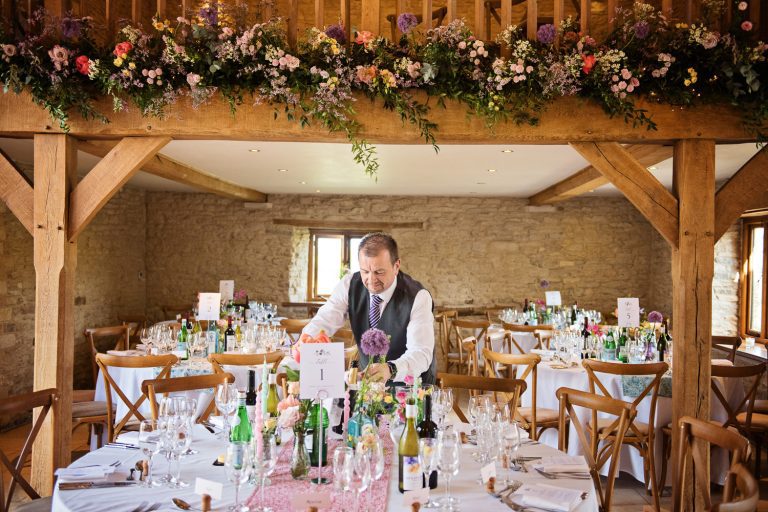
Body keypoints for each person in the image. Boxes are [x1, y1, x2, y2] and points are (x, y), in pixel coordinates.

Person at [301, 232, 436, 384]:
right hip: (368, 388)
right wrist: (305, 340)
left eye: (379, 272)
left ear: (396, 266)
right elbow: (324, 321)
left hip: (410, 391)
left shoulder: (418, 297)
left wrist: (390, 369)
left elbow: (421, 353)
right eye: (365, 271)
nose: (371, 280)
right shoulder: (349, 284)